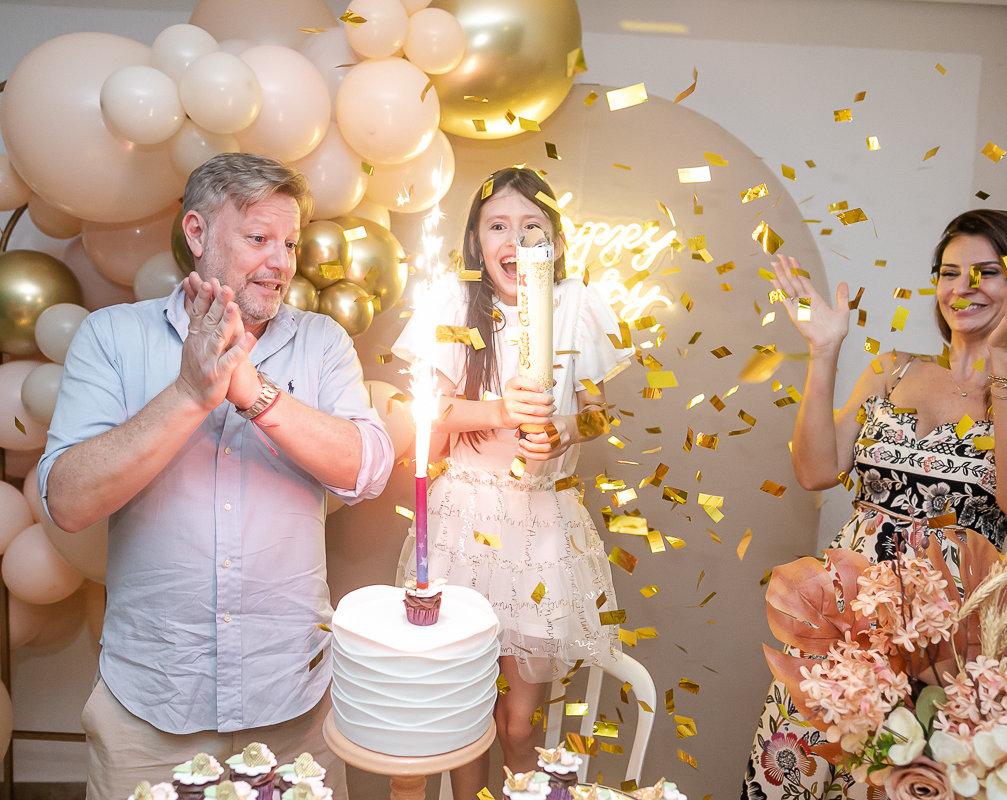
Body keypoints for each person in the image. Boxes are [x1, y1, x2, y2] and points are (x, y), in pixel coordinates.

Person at [38, 153, 394, 800]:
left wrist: (255, 393)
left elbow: (366, 468)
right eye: (259, 238)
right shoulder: (112, 337)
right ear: (197, 233)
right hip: (150, 705)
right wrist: (189, 393)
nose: (281, 262)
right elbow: (67, 501)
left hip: (296, 703)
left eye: (290, 243)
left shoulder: (322, 342)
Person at [741, 208, 1007, 800]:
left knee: (897, 784)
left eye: (986, 272)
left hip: (947, 643)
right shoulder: (894, 369)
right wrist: (824, 352)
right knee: (793, 782)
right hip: (842, 626)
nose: (963, 288)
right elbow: (815, 470)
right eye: (949, 273)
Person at [391, 167, 634, 798]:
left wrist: (564, 431)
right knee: (465, 713)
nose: (516, 239)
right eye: (498, 224)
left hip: (542, 526)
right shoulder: (453, 302)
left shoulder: (578, 304)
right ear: (476, 240)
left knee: (518, 723)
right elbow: (432, 414)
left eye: (532, 226)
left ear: (555, 240)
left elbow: (598, 414)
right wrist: (500, 411)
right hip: (465, 520)